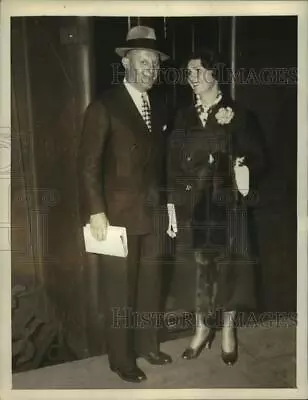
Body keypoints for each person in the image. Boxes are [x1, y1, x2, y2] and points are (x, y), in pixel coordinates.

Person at [78, 25, 172, 383]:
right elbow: (86, 166)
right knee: (121, 291)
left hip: (152, 212)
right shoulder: (104, 106)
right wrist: (96, 211)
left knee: (150, 285)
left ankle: (148, 345)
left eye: (155, 64)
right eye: (143, 61)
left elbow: (160, 167)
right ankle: (121, 359)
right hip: (115, 216)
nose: (150, 69)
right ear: (127, 63)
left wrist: (169, 208)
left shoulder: (159, 108)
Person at [167, 48, 266, 365]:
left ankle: (227, 330)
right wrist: (174, 201)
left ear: (214, 74)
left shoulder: (239, 115)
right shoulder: (182, 115)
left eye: (197, 71)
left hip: (227, 205)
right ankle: (201, 330)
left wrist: (241, 165)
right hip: (194, 205)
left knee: (230, 271)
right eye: (188, 72)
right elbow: (171, 163)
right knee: (197, 273)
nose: (191, 78)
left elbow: (260, 159)